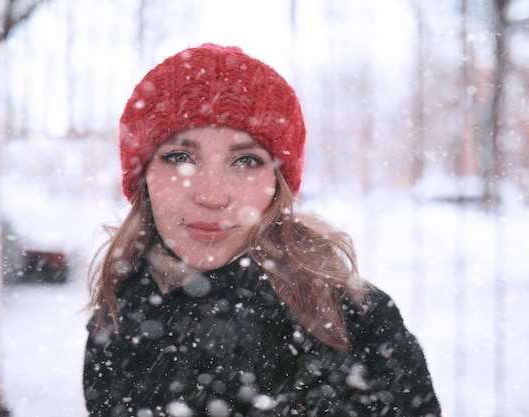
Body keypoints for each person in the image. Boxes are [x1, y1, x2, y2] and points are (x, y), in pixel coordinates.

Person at [83, 43, 441, 417]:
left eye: (246, 160)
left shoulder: (356, 323)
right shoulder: (117, 321)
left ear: (277, 183)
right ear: (145, 178)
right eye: (180, 157)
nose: (211, 195)